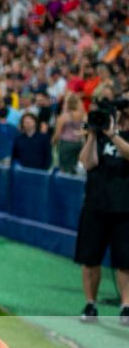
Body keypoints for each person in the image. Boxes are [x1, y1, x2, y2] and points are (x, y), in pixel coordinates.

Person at [74, 97, 129, 324]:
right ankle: (90, 304)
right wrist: (93, 135)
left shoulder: (119, 135)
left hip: (124, 206)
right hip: (95, 205)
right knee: (90, 259)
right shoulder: (95, 136)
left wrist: (112, 134)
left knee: (125, 261)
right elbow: (87, 163)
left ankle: (126, 306)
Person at [55, 93, 88, 174]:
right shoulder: (83, 115)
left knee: (64, 169)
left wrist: (53, 142)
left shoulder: (64, 116)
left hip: (66, 144)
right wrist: (78, 134)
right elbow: (84, 129)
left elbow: (57, 134)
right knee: (75, 169)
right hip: (78, 143)